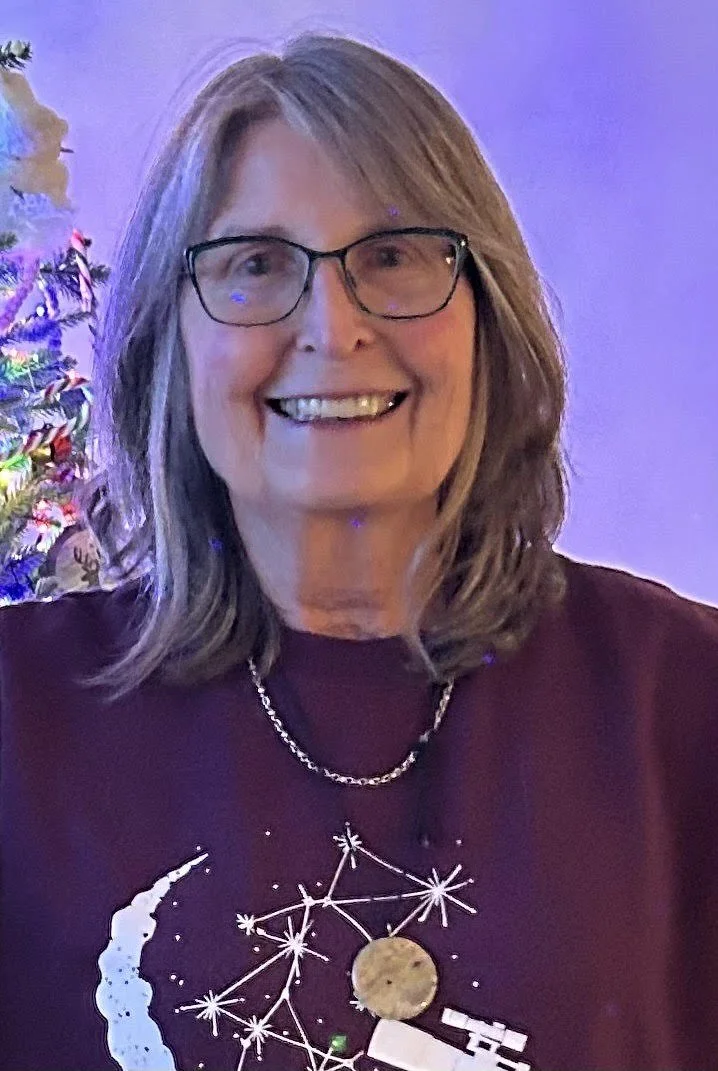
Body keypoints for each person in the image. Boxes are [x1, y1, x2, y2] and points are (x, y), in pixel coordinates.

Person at [0, 32, 716, 1071]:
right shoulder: (21, 719)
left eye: (391, 257)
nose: (331, 329)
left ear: (487, 313)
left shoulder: (681, 700)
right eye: (255, 265)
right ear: (170, 339)